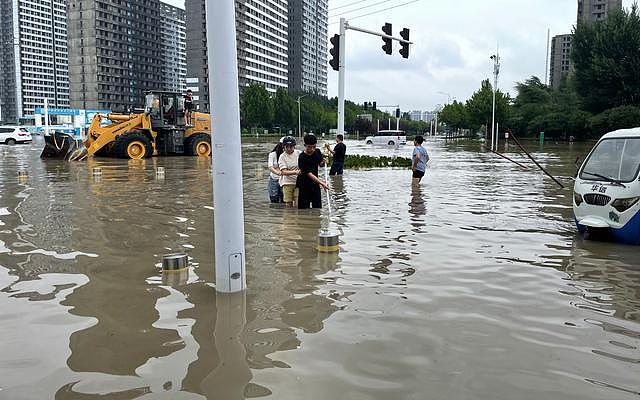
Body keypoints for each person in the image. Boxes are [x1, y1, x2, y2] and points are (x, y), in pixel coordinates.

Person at [298, 134, 329, 209]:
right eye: (309, 147)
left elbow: (320, 164)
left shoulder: (317, 152)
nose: (312, 149)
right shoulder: (302, 157)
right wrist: (322, 183)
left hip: (315, 184)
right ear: (305, 145)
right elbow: (309, 174)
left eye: (314, 147)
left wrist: (324, 162)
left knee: (317, 208)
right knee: (303, 210)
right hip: (304, 185)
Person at [278, 136, 301, 207]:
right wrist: (296, 172)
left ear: (294, 146)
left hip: (298, 182)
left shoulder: (299, 153)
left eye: (291, 146)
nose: (289, 148)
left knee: (298, 203)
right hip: (287, 183)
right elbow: (284, 172)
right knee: (288, 204)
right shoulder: (282, 156)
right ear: (283, 147)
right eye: (286, 146)